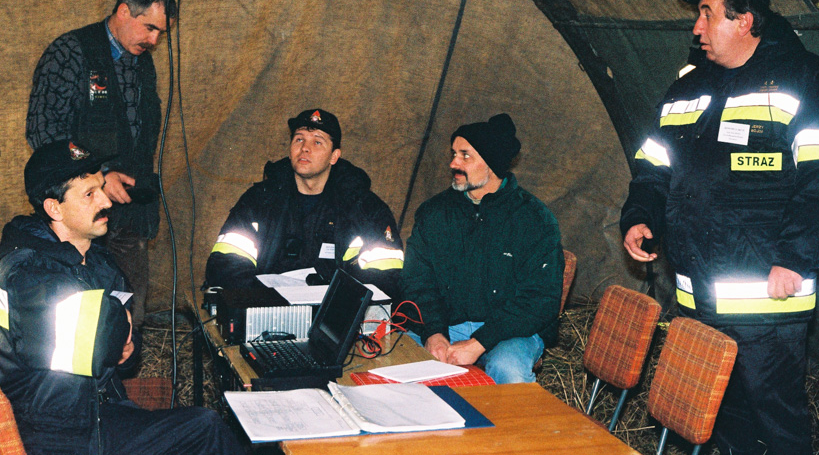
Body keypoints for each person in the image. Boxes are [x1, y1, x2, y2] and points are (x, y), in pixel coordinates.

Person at [620, 0, 819, 455]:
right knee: (718, 428)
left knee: (776, 429)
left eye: (707, 15)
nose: (697, 27)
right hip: (696, 301)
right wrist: (641, 215)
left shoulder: (807, 79)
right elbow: (654, 163)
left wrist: (797, 258)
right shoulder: (687, 87)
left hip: (766, 308)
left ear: (745, 20)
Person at [0, 141, 245, 455]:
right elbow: (99, 337)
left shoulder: (99, 262)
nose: (105, 201)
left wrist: (126, 345)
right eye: (90, 194)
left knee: (206, 426)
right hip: (54, 435)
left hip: (103, 415)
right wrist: (115, 331)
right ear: (54, 208)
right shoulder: (21, 272)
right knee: (204, 432)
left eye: (101, 188)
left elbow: (124, 347)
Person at [26, 0, 177, 328]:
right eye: (149, 28)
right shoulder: (68, 53)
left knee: (128, 315)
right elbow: (43, 130)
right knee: (76, 317)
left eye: (161, 34)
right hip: (76, 217)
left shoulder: (141, 62)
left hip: (128, 215)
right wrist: (97, 177)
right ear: (124, 11)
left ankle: (116, 379)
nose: (154, 40)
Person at [400, 114, 564, 384]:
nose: (453, 163)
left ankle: (516, 426)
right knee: (395, 360)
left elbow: (541, 299)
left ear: (492, 164)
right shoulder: (435, 213)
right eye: (454, 154)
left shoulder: (533, 219)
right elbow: (417, 280)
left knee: (508, 372)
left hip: (508, 333)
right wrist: (433, 332)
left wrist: (480, 342)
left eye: (465, 156)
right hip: (444, 326)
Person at [205, 108, 404, 300]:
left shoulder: (364, 208)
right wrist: (260, 302)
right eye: (299, 139)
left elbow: (385, 276)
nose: (305, 148)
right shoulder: (259, 200)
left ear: (334, 156)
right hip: (266, 309)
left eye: (317, 142)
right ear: (290, 150)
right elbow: (227, 261)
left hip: (331, 319)